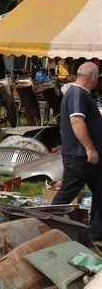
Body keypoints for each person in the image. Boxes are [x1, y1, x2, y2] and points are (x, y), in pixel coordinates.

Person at [52, 62, 102, 240]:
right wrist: (90, 148)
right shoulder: (76, 94)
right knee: (66, 194)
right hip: (80, 156)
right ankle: (46, 228)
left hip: (89, 155)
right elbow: (77, 122)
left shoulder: (81, 94)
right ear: (94, 77)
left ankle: (96, 232)